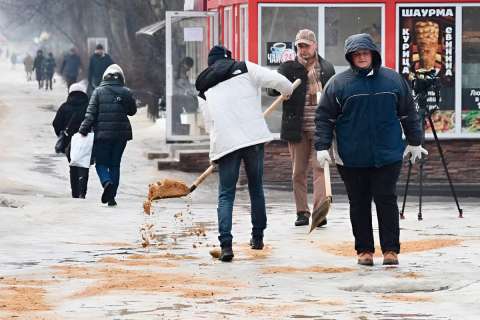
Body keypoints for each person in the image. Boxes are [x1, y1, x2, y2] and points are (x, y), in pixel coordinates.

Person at [315, 33, 427, 266]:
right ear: (350, 57)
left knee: (386, 200)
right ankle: (364, 250)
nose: (362, 57)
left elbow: (408, 112)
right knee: (359, 203)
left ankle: (390, 250)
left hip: (388, 154)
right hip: (351, 156)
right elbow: (324, 118)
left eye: (365, 53)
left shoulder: (393, 80)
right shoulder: (338, 84)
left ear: (373, 54)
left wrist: (415, 141)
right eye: (357, 54)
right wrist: (322, 146)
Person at [195, 45, 293, 262]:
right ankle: (257, 237)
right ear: (229, 58)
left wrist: (215, 153)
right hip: (253, 139)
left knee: (225, 194)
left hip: (226, 143)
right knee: (256, 187)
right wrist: (287, 90)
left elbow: (210, 124)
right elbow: (278, 80)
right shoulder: (244, 67)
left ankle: (226, 245)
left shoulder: (203, 86)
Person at [269, 29, 335, 228]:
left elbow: (334, 96)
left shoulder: (326, 68)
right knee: (298, 171)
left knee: (319, 168)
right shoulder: (289, 68)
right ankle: (302, 212)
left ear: (315, 45)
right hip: (296, 127)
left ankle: (319, 212)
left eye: (306, 45)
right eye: (300, 46)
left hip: (320, 128)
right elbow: (271, 89)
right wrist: (280, 87)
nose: (303, 50)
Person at [79, 64, 136, 206]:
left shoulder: (98, 92)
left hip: (102, 135)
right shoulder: (126, 92)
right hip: (121, 135)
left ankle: (106, 183)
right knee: (115, 165)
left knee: (101, 163)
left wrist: (83, 129)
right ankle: (111, 196)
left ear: (104, 77)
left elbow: (90, 113)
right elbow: (132, 111)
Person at [52, 82, 90, 198]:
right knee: (84, 165)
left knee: (73, 165)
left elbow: (56, 123)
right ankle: (82, 192)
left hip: (69, 141)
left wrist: (61, 133)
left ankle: (75, 193)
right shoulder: (89, 107)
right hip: (86, 140)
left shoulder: (65, 107)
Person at [172, 56, 197, 135]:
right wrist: (186, 91)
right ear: (183, 64)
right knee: (176, 117)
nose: (188, 69)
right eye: (188, 67)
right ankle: (178, 133)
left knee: (178, 117)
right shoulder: (175, 74)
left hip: (180, 99)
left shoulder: (183, 74)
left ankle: (179, 132)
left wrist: (190, 90)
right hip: (176, 98)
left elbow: (187, 85)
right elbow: (176, 87)